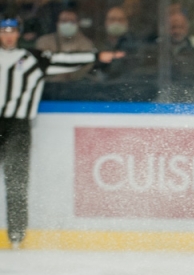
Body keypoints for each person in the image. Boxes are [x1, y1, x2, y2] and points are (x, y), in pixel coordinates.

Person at [0, 17, 123, 248]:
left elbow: (65, 60)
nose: (8, 35)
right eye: (3, 31)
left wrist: (96, 56)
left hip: (18, 126)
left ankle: (16, 236)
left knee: (16, 182)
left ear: (18, 34)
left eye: (12, 31)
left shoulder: (33, 59)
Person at [35, 8, 96, 81]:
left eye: (72, 21)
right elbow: (42, 65)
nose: (68, 24)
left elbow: (86, 67)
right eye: (64, 21)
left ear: (78, 24)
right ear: (57, 23)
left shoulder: (86, 44)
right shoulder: (44, 42)